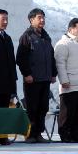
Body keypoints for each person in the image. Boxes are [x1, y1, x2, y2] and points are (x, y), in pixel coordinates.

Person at [16, 8, 57, 143]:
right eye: (39, 17)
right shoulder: (26, 36)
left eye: (43, 17)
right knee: (31, 108)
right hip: (32, 79)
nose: (42, 20)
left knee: (43, 107)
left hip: (45, 78)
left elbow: (51, 56)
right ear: (31, 20)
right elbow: (21, 58)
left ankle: (38, 133)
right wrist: (27, 74)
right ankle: (30, 134)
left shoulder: (46, 37)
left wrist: (53, 73)